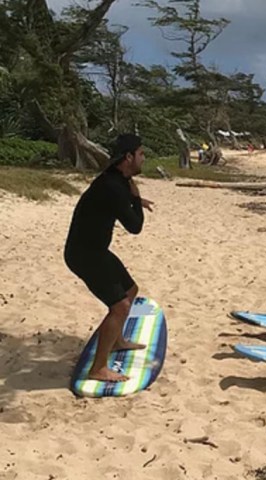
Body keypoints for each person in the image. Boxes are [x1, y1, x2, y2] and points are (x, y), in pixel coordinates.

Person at [64, 134, 154, 382]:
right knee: (120, 306)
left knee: (131, 290)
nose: (143, 157)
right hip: (84, 255)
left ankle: (117, 341)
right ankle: (98, 368)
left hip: (96, 250)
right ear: (128, 157)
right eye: (141, 153)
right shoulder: (113, 186)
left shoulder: (118, 179)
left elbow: (121, 201)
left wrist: (136, 199)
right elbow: (135, 227)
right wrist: (136, 200)